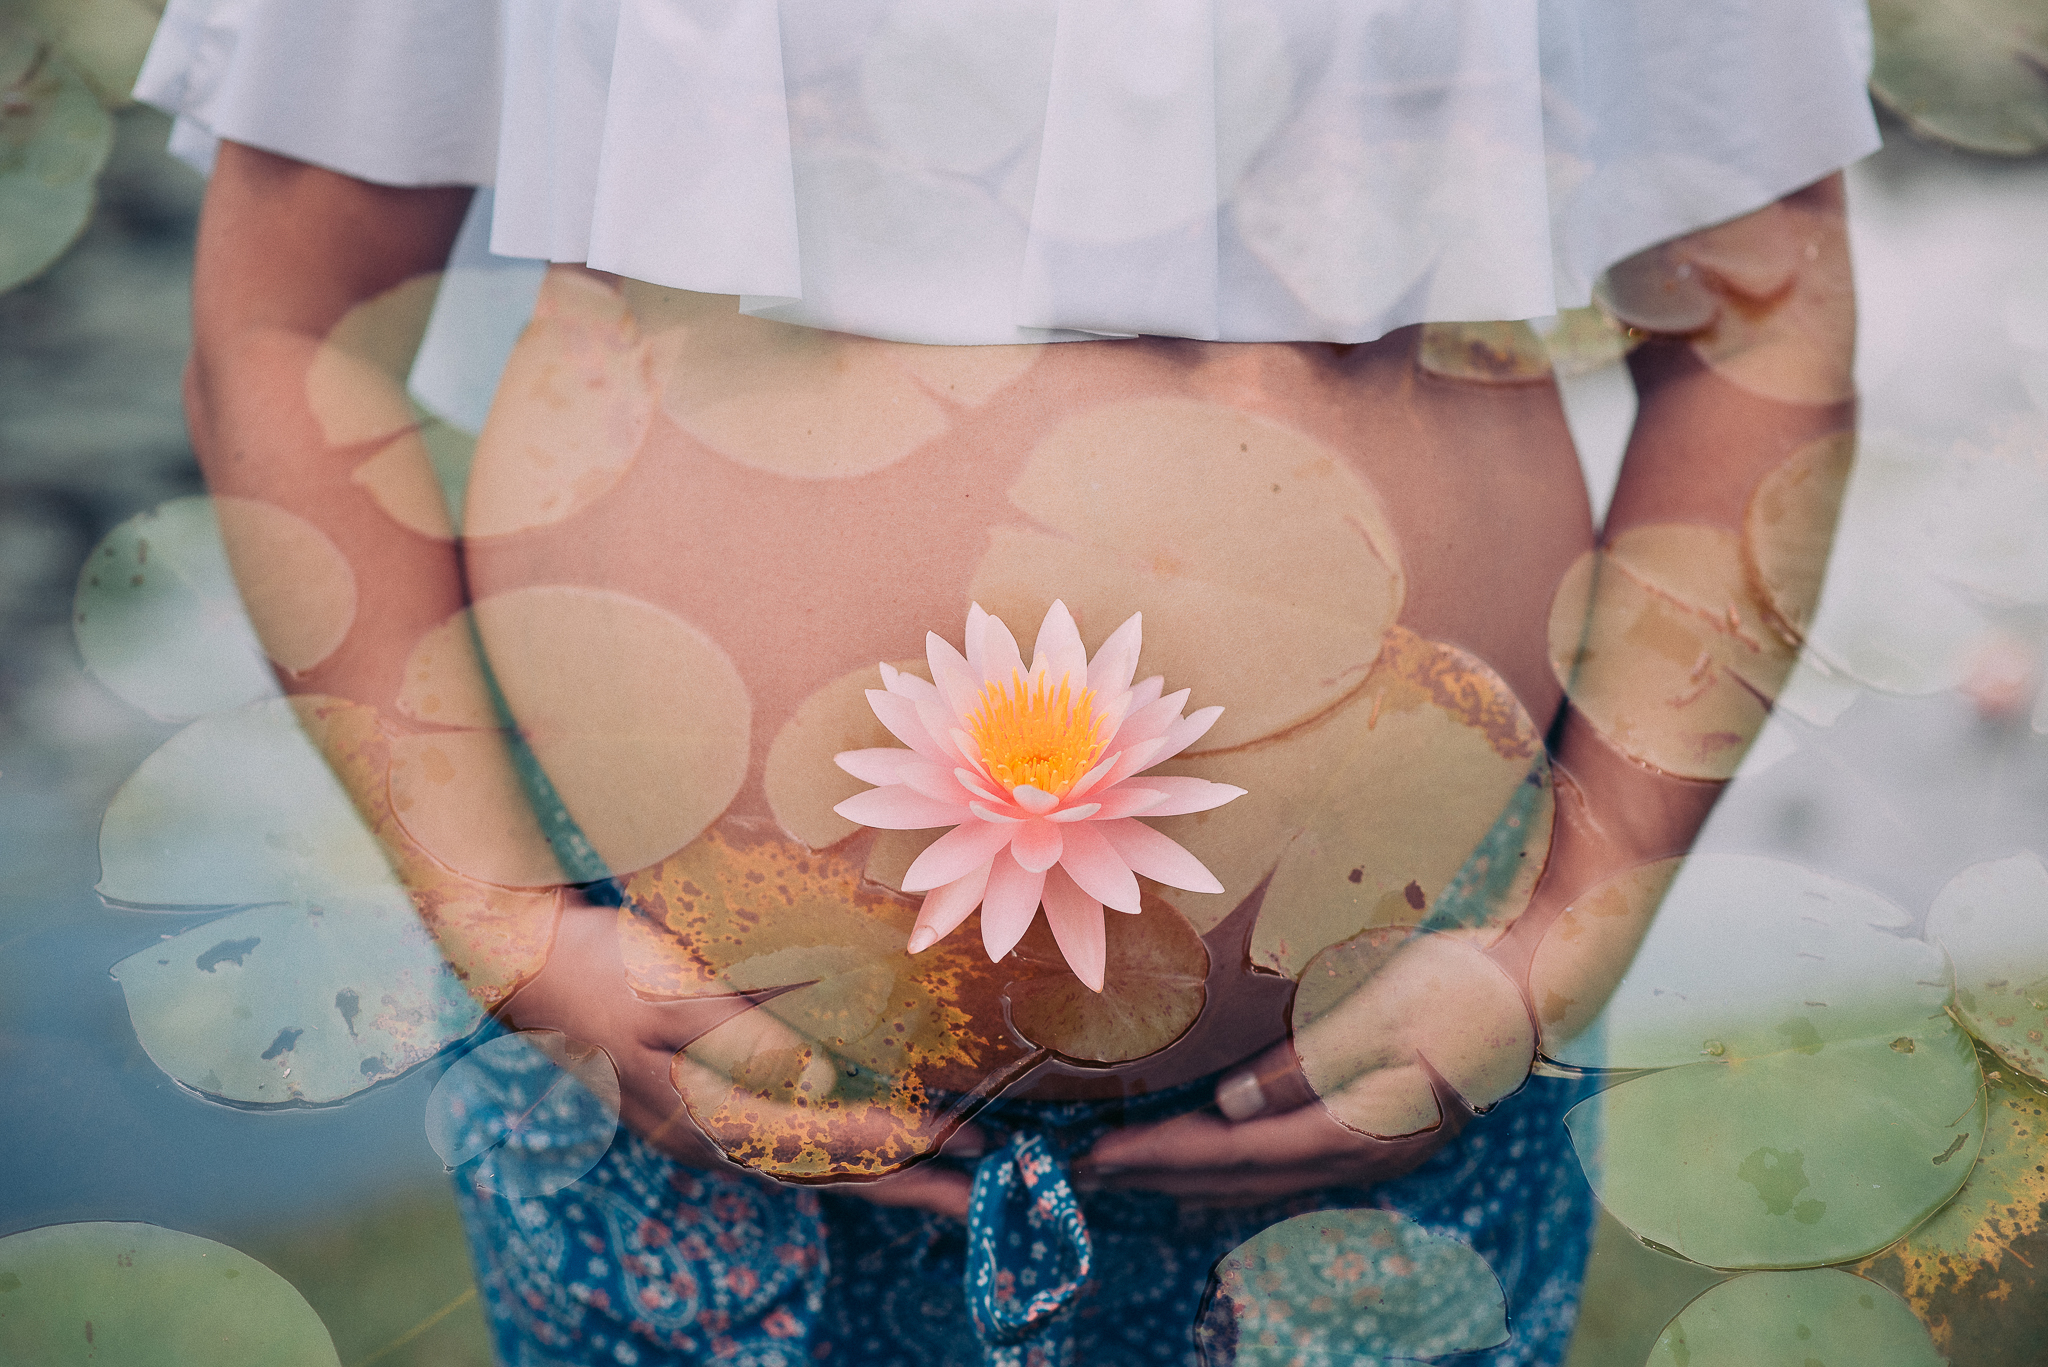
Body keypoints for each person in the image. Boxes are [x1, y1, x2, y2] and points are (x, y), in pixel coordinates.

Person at [138, 2, 1876, 1362]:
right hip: (648, 1051)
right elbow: (289, 318)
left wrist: (1567, 932)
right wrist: (508, 924)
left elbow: (1760, 317)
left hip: (1400, 1046)